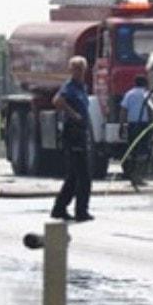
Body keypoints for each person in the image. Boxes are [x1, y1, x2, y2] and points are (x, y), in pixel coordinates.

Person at [50, 56, 94, 222]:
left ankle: (59, 208)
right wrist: (72, 114)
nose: (78, 72)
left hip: (82, 132)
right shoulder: (69, 87)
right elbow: (57, 101)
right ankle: (81, 211)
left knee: (74, 175)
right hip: (73, 133)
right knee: (84, 175)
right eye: (75, 69)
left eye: (80, 69)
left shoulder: (82, 87)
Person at [119, 76, 151, 187]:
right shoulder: (146, 94)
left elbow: (123, 110)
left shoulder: (129, 94)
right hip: (143, 125)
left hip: (132, 125)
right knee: (143, 151)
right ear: (145, 84)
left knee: (133, 150)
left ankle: (132, 175)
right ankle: (138, 177)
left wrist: (122, 126)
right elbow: (152, 109)